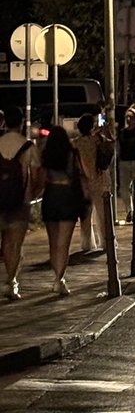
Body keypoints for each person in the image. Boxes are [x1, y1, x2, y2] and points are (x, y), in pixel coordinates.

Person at [40, 125, 89, 296]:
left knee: (53, 242)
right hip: (68, 196)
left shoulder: (46, 155)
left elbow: (41, 178)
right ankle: (59, 279)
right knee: (64, 243)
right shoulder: (72, 153)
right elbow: (82, 174)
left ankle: (56, 276)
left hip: (51, 195)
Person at [0, 106, 42, 301]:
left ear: (4, 123)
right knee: (14, 244)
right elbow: (36, 176)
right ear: (21, 122)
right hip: (20, 202)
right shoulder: (28, 147)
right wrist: (33, 194)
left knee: (3, 241)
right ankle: (11, 281)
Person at [73, 114, 113, 250]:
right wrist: (105, 131)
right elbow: (112, 146)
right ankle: (107, 241)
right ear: (92, 126)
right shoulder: (99, 140)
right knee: (103, 213)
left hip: (84, 181)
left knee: (85, 215)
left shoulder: (76, 143)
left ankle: (87, 244)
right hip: (101, 179)